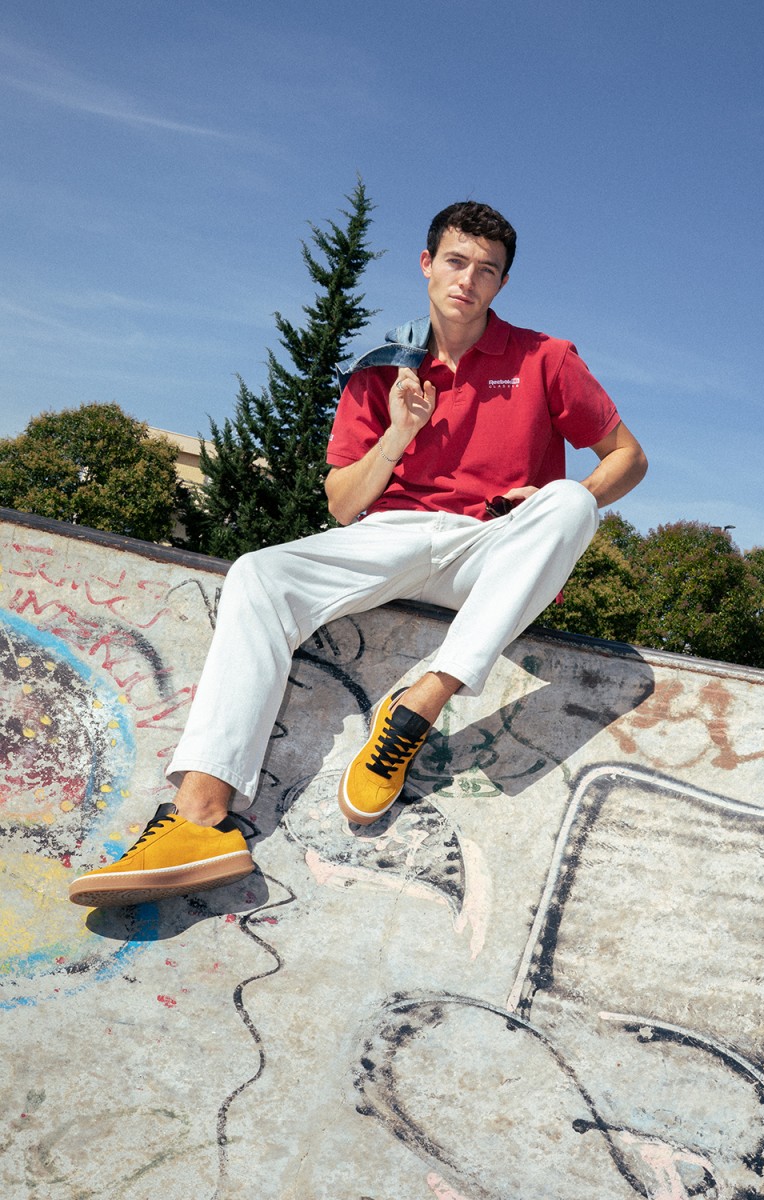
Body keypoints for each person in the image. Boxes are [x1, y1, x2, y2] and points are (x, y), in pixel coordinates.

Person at [68, 201, 647, 908]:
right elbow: (344, 505)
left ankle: (418, 706)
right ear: (427, 264)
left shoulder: (545, 358)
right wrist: (399, 434)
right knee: (258, 575)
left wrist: (553, 499)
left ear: (501, 283)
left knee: (572, 502)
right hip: (392, 535)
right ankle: (199, 820)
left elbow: (628, 457)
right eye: (456, 262)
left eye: (487, 270)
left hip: (491, 548)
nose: (468, 280)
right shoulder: (382, 371)